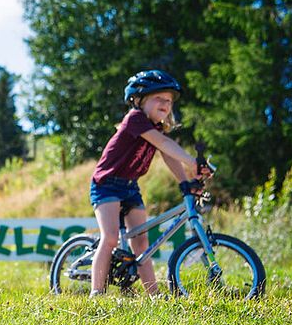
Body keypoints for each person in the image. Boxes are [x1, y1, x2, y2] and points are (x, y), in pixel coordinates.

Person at [90, 70, 211, 297]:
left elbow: (168, 155)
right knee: (110, 238)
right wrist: (192, 161)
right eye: (159, 98)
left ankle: (153, 294)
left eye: (169, 101)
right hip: (107, 183)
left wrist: (185, 181)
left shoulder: (156, 128)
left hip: (129, 186)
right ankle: (96, 293)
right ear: (139, 100)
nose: (165, 104)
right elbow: (163, 144)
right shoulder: (135, 119)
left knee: (141, 241)